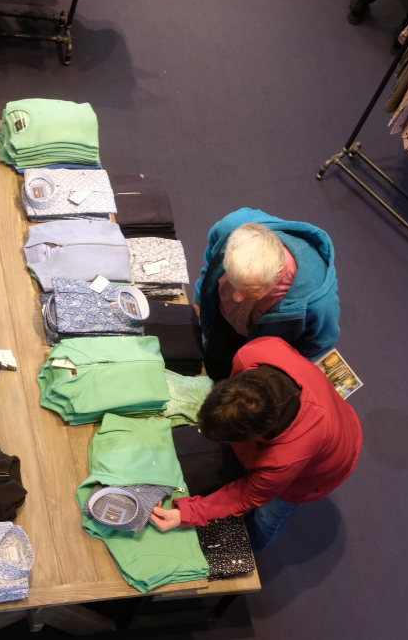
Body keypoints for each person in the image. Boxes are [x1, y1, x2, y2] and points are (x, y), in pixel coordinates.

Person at [149, 336, 363, 551]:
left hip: (330, 458)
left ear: (258, 436)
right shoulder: (254, 353)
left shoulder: (285, 459)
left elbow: (247, 495)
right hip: (323, 401)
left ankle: (252, 546)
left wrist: (186, 514)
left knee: (268, 517)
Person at [193, 208, 340, 382]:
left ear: (278, 272)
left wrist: (284, 372)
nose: (236, 298)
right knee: (214, 365)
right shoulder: (230, 229)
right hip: (222, 327)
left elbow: (319, 342)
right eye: (233, 282)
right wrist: (200, 296)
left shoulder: (319, 302)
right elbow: (212, 252)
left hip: (262, 352)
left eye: (250, 290)